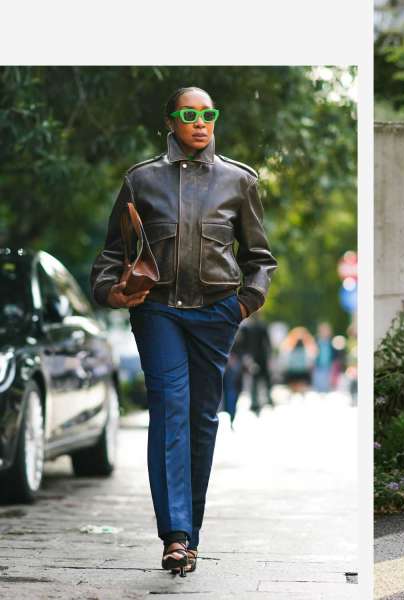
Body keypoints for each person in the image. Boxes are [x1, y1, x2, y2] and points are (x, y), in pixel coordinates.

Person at [90, 86, 275, 572]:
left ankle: (190, 533)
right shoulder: (140, 180)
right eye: (189, 114)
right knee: (170, 408)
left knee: (201, 418)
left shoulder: (240, 181)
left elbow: (260, 258)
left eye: (207, 114)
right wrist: (111, 291)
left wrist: (244, 303)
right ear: (170, 121)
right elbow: (111, 255)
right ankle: (174, 536)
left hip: (216, 314)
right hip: (157, 312)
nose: (200, 122)